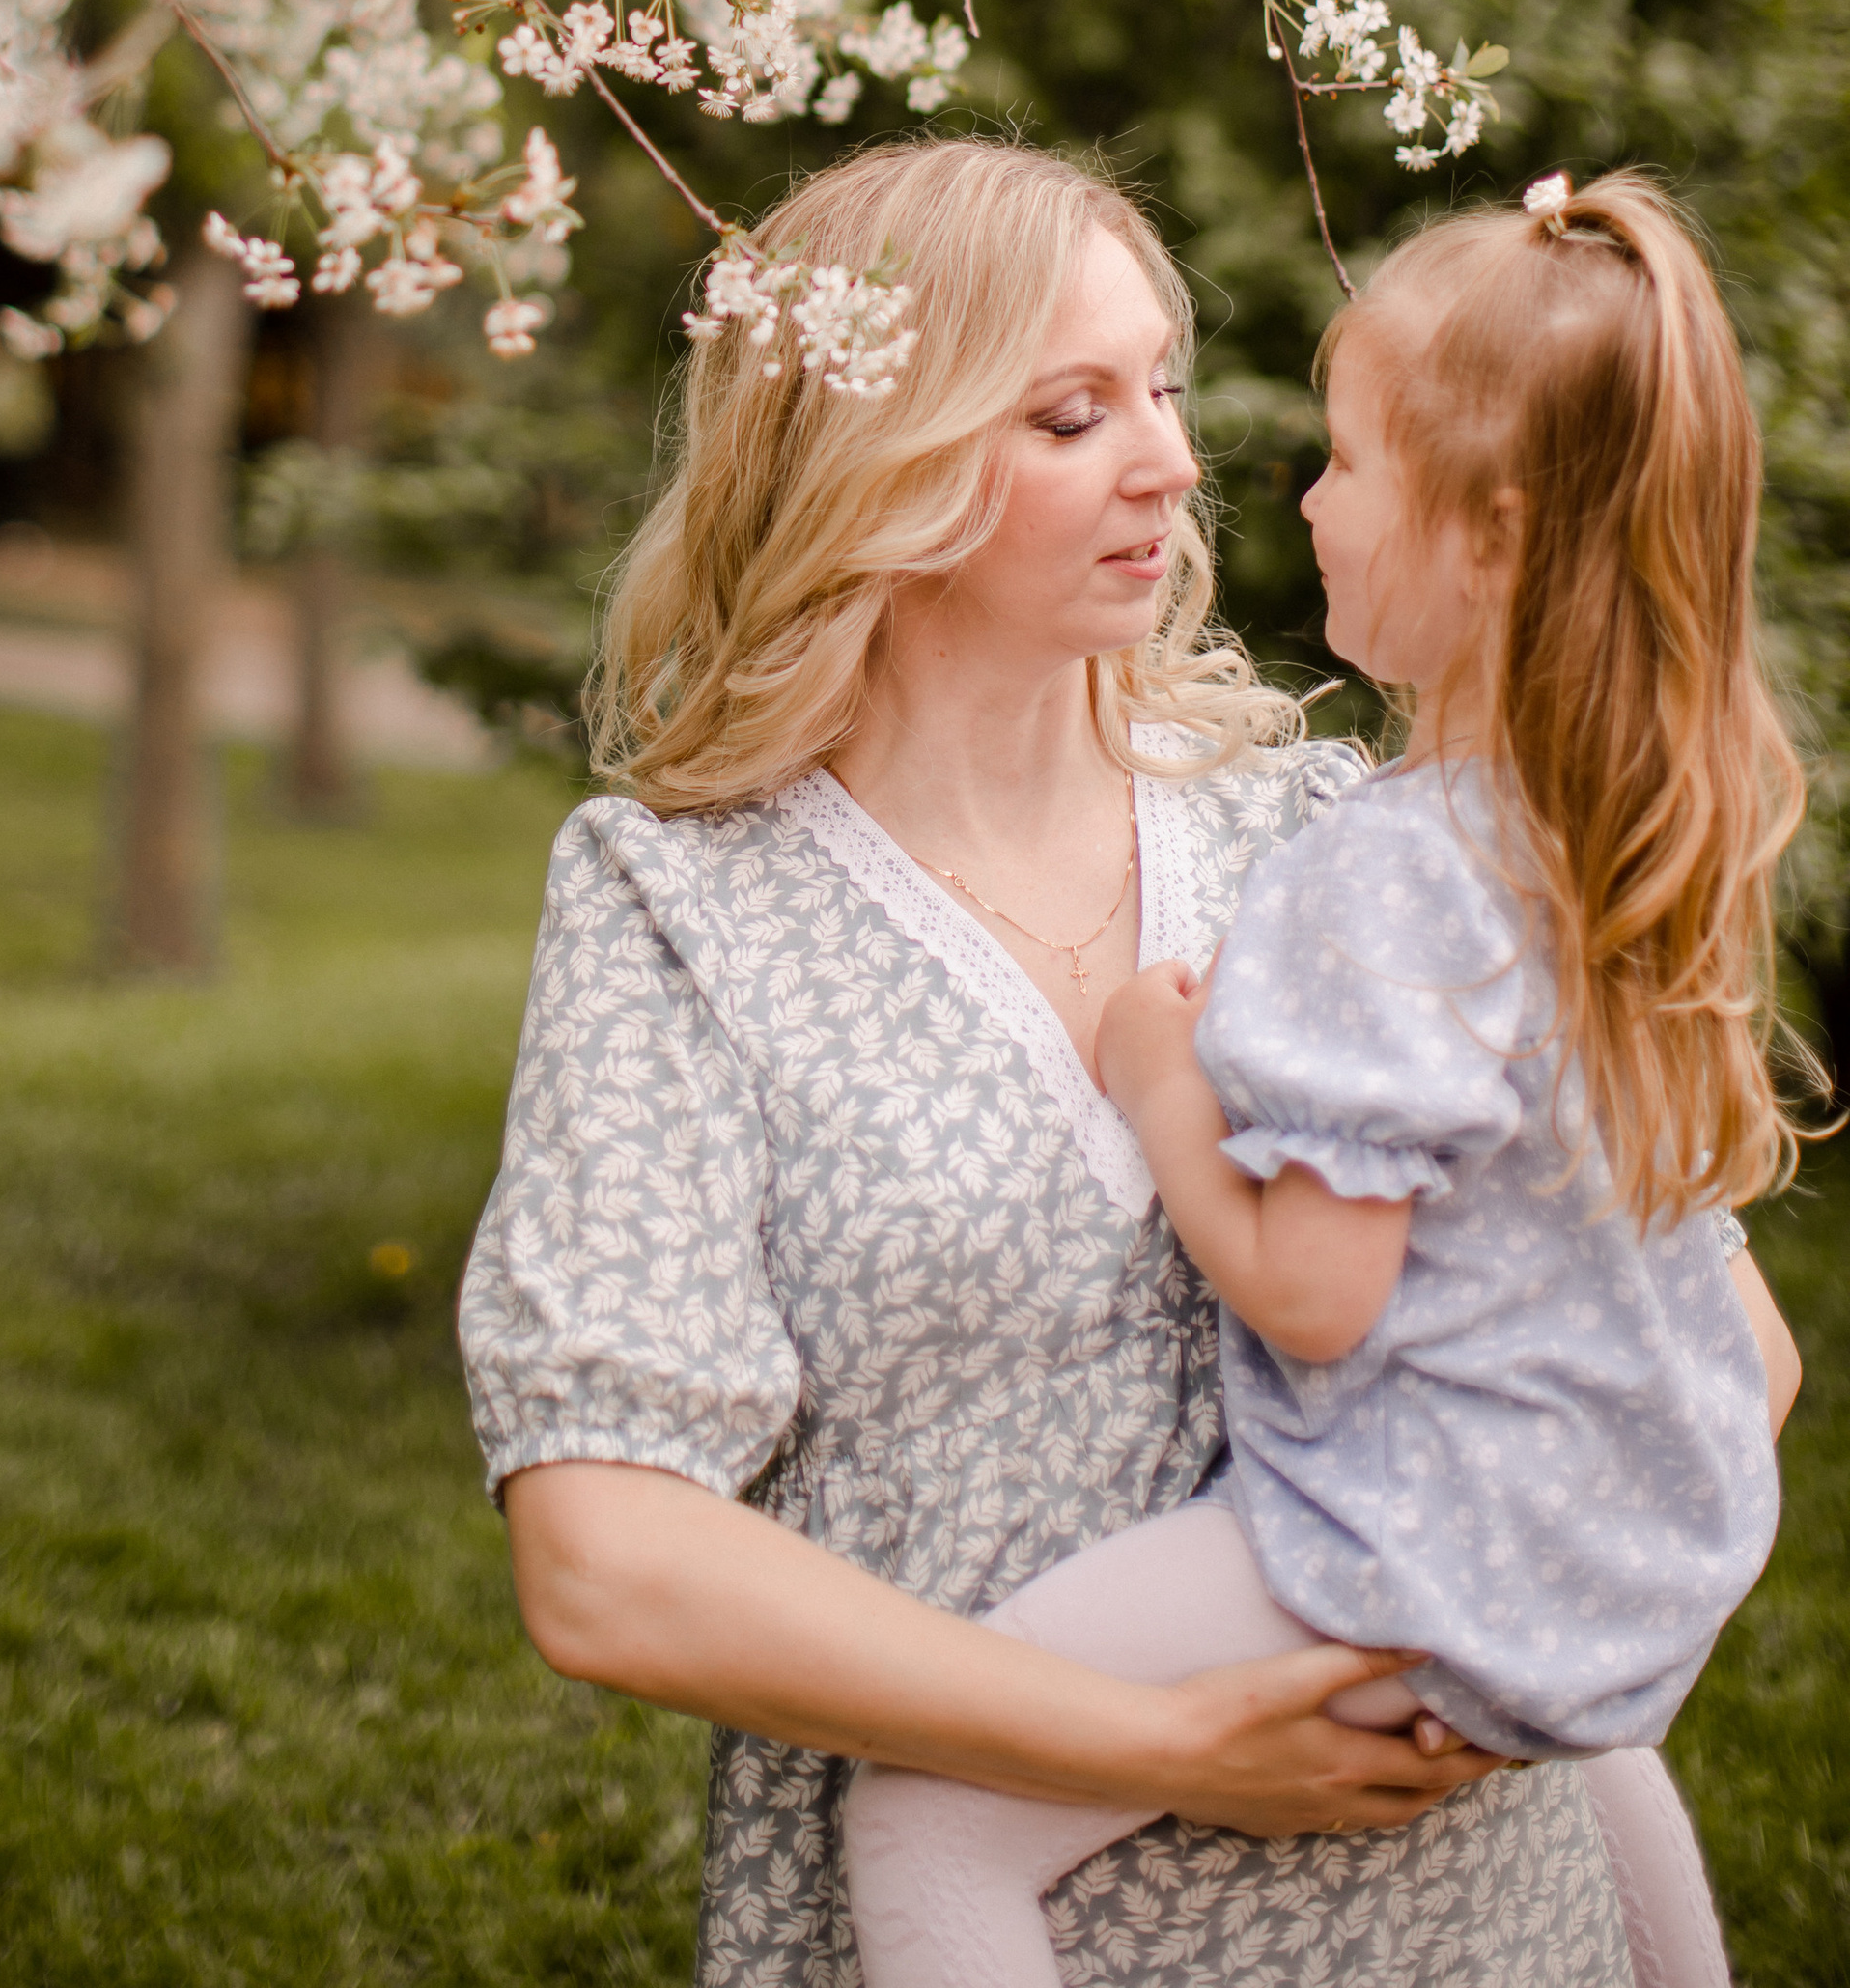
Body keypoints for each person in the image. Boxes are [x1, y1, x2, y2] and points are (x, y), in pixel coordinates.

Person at [458, 137, 1646, 1988]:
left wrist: (1517, 1646)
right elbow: (606, 1554)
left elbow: (1706, 1332)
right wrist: (1168, 1752)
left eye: (1161, 387)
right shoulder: (680, 908)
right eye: (1072, 415)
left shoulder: (1327, 834)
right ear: (880, 457)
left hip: (1463, 1907)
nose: (1174, 462)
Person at [843, 168, 1804, 1988]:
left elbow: (1317, 1293)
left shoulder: (1389, 869)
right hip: (1617, 1552)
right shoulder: (1613, 839)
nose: (1293, 498)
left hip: (1407, 1542)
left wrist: (1163, 1085)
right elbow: (1752, 1344)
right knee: (1592, 1738)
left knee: (919, 1815)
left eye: (1351, 463)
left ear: (1493, 537)